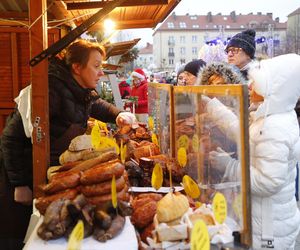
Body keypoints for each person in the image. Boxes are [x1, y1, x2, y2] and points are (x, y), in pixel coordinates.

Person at [0, 39, 136, 250]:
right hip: (22, 177)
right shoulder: (48, 91)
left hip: (47, 175)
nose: (101, 72)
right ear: (77, 67)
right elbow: (10, 137)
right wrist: (19, 184)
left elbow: (94, 104)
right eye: (97, 65)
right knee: (17, 237)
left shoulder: (78, 88)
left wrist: (118, 114)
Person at [206, 54, 300, 249]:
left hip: (269, 226)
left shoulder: (274, 127)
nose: (249, 86)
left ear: (274, 90)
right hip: (266, 218)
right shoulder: (270, 116)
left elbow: (267, 182)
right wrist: (212, 106)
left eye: (256, 83)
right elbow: (244, 133)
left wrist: (229, 166)